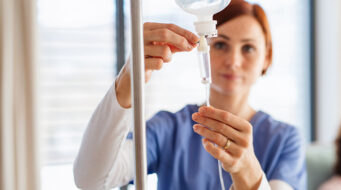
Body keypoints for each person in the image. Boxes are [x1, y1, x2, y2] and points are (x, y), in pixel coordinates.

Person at [73, 0, 306, 189]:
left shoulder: (283, 140)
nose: (233, 62)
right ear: (204, 46)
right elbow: (92, 179)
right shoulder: (170, 128)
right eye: (221, 45)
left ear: (266, 58)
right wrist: (127, 81)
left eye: (248, 48)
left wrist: (248, 172)